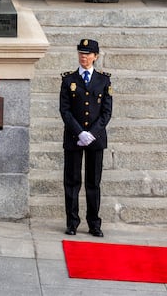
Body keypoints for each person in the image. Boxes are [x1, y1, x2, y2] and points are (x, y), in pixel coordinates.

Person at [59, 38, 113, 237]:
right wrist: (79, 132)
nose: (84, 57)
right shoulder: (68, 80)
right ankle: (72, 222)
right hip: (74, 137)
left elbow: (106, 112)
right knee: (72, 182)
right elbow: (64, 110)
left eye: (88, 54)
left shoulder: (104, 80)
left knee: (93, 183)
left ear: (95, 56)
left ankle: (94, 224)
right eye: (81, 53)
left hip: (96, 139)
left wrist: (92, 133)